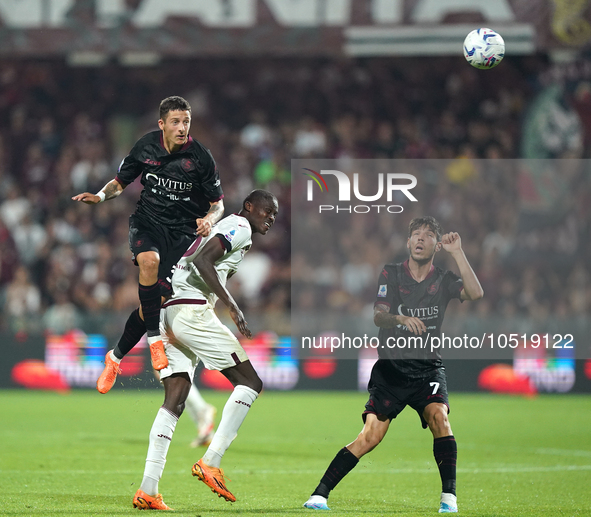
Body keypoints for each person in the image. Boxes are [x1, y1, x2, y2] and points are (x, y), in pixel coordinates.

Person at [303, 216, 484, 514]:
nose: (420, 238)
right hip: (391, 370)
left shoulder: (444, 278)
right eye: (416, 234)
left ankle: (449, 498)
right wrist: (400, 318)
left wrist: (458, 253)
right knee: (370, 436)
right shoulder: (391, 274)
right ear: (408, 242)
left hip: (428, 369)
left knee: (440, 419)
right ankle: (320, 494)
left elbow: (476, 293)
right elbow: (378, 315)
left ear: (436, 245)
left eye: (427, 235)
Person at [132, 189, 278, 511]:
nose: (271, 218)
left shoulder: (230, 227)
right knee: (251, 383)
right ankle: (211, 460)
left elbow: (192, 256)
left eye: (275, 215)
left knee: (175, 399)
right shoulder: (238, 226)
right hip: (192, 312)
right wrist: (232, 305)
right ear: (249, 207)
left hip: (171, 312)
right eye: (267, 211)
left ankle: (148, 489)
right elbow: (202, 259)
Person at [72, 96, 224, 393]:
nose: (182, 128)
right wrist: (100, 196)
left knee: (155, 302)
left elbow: (218, 204)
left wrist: (209, 218)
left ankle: (114, 358)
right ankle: (154, 340)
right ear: (162, 124)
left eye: (186, 122)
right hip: (147, 222)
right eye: (176, 122)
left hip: (182, 235)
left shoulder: (201, 158)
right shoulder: (145, 147)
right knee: (149, 263)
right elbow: (119, 182)